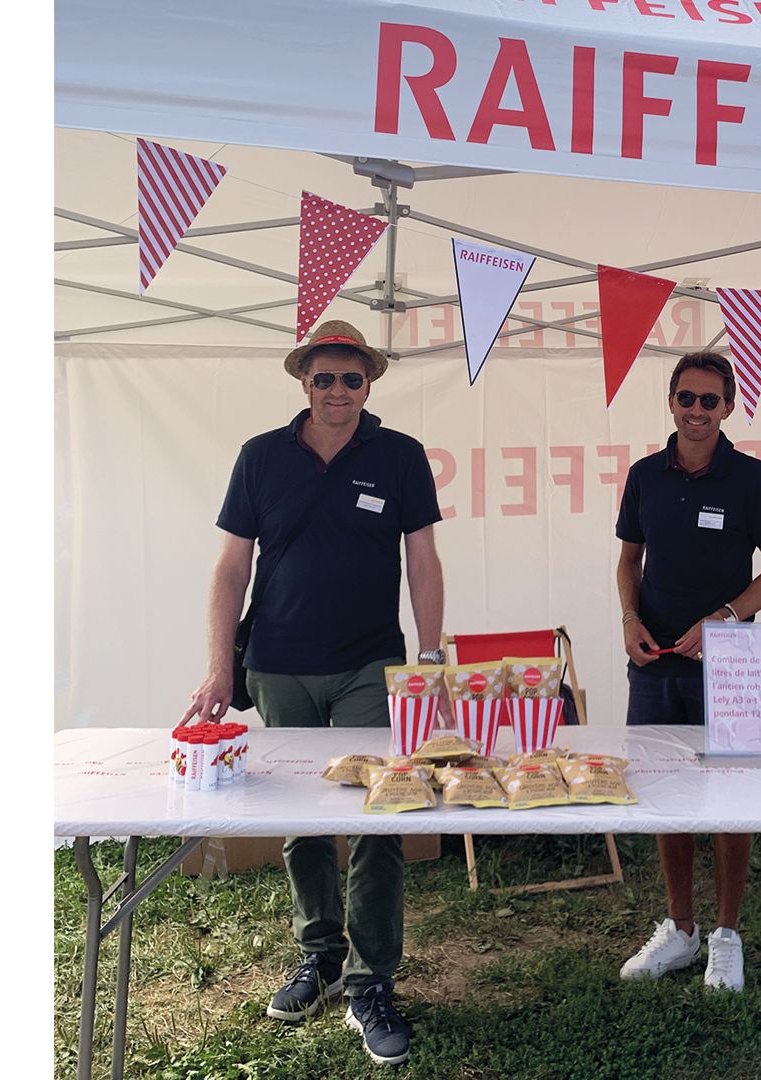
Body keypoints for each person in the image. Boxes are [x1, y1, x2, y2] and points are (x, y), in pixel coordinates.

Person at [181, 319, 446, 1068]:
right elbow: (231, 568)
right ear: (303, 382)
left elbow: (423, 561)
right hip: (276, 662)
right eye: (324, 378)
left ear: (370, 384)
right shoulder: (261, 457)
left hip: (370, 662)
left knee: (381, 817)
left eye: (351, 379)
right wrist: (218, 666)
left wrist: (428, 658)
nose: (337, 391)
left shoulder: (399, 457)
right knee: (300, 820)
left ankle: (371, 981)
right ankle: (321, 957)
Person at [614, 351, 761, 993]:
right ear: (671, 402)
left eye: (709, 401)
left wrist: (726, 617)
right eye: (686, 399)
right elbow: (629, 560)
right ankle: (681, 929)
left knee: (733, 800)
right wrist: (630, 619)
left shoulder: (751, 478)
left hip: (735, 666)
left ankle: (726, 935)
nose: (697, 411)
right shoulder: (643, 476)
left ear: (728, 406)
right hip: (656, 663)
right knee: (666, 794)